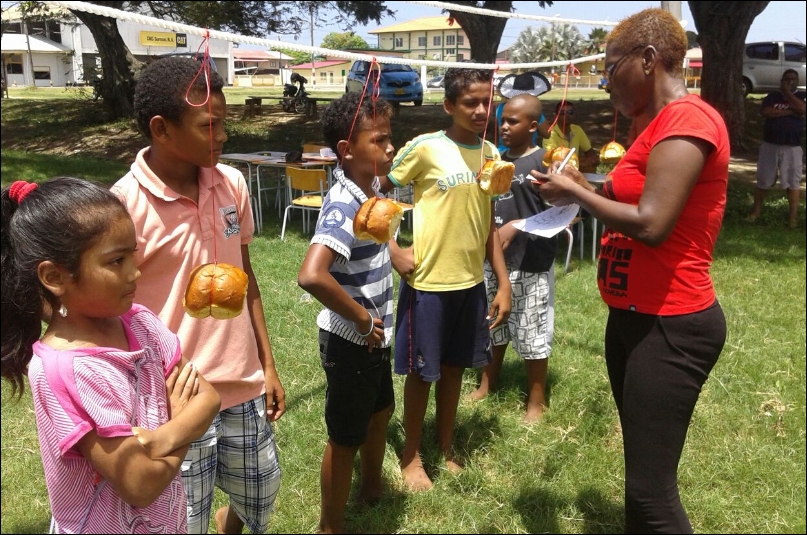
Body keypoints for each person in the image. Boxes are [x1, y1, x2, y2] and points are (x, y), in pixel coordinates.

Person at [533, 8, 729, 533]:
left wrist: (578, 194)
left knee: (650, 493)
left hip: (672, 324)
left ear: (647, 59)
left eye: (610, 67)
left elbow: (652, 223)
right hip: (633, 318)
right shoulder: (654, 127)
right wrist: (579, 188)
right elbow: (630, 199)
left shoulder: (690, 120)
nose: (605, 82)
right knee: (641, 480)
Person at [112, 56, 284, 534]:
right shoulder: (123, 205)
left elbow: (245, 276)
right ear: (161, 129)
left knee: (261, 493)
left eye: (224, 123)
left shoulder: (231, 183)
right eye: (210, 125)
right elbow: (112, 312)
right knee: (184, 518)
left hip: (242, 383)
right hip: (175, 398)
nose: (222, 136)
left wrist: (267, 364)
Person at [0, 177, 221, 534]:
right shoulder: (65, 371)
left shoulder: (141, 322)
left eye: (132, 254)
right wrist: (182, 424)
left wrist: (160, 439)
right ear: (54, 276)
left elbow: (208, 398)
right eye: (116, 261)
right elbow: (141, 485)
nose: (135, 271)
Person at [378, 66, 512, 492]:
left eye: (487, 101)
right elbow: (374, 189)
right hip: (428, 284)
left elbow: (488, 221)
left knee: (454, 369)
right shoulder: (426, 148)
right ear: (449, 105)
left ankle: (447, 445)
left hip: (469, 284)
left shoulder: (490, 152)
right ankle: (411, 454)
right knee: (423, 373)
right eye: (470, 102)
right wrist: (392, 249)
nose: (481, 110)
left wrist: (503, 282)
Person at [297, 92, 396, 534]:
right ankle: (330, 526)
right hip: (352, 340)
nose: (390, 148)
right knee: (345, 438)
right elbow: (311, 275)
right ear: (346, 150)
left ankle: (372, 488)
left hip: (374, 337)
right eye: (379, 140)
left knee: (380, 412)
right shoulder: (344, 204)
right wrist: (360, 317)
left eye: (390, 138)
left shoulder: (368, 189)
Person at [468, 94, 558, 423]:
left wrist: (517, 225)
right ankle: (488, 382)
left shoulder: (544, 162)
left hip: (531, 261)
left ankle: (536, 400)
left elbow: (564, 214)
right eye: (502, 120)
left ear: (533, 126)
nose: (504, 126)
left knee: (532, 329)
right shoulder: (497, 161)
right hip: (495, 261)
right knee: (493, 324)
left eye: (513, 121)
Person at [747, 69, 806, 229]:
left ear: (798, 81)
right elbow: (766, 112)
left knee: (793, 182)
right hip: (770, 144)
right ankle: (755, 212)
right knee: (763, 180)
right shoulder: (772, 96)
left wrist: (788, 94)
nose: (790, 81)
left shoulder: (802, 96)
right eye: (787, 79)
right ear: (781, 80)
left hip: (792, 147)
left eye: (793, 79)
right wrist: (790, 111)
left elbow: (803, 109)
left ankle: (792, 218)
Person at [494, 71, 552, 153]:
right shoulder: (531, 110)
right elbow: (547, 134)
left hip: (502, 152)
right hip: (525, 152)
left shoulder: (500, 108)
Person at [543, 101, 599, 172]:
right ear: (556, 116)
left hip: (575, 171)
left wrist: (592, 159)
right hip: (557, 172)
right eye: (563, 113)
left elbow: (589, 151)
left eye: (570, 112)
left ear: (574, 115)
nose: (567, 115)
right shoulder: (550, 134)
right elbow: (554, 160)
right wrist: (581, 164)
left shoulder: (577, 129)